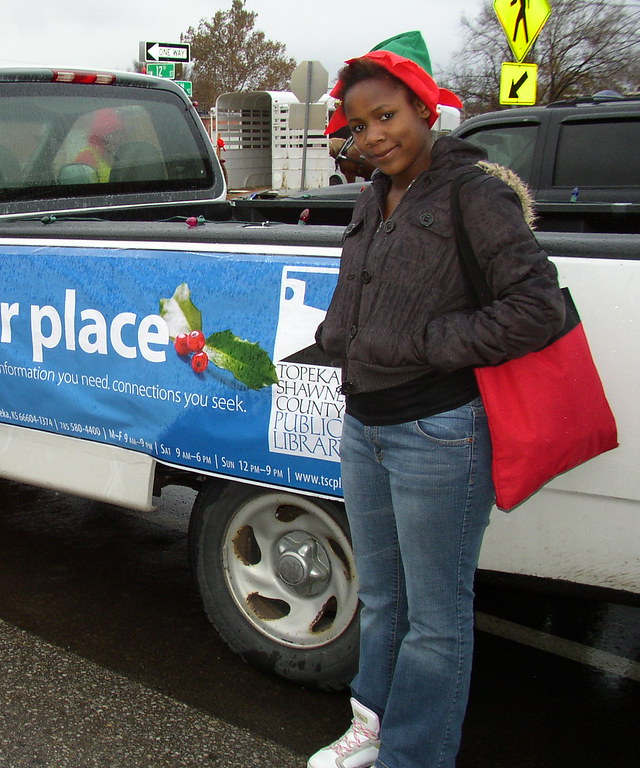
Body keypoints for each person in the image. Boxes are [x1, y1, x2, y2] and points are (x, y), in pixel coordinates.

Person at [310, 32, 565, 768]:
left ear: (425, 109)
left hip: (438, 433)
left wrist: (429, 342)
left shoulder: (475, 193)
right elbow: (361, 294)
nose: (374, 136)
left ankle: (414, 757)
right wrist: (337, 336)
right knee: (383, 600)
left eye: (386, 116)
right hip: (366, 425)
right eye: (359, 125)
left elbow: (536, 308)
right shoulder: (372, 194)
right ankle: (373, 726)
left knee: (437, 620)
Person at [73, 107, 126, 182]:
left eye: (120, 133)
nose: (118, 138)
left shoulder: (121, 154)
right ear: (102, 136)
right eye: (113, 134)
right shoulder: (87, 157)